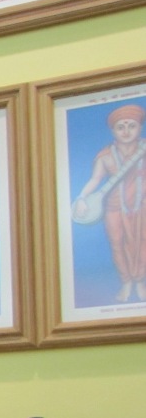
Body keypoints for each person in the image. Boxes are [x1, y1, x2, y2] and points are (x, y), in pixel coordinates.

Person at [71, 103, 146, 304]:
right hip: (113, 207)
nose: (126, 131)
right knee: (116, 244)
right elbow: (95, 180)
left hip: (142, 204)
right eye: (121, 127)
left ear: (140, 128)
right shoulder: (105, 156)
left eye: (131, 126)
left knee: (142, 243)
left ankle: (140, 281)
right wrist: (80, 199)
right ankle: (126, 282)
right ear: (113, 131)